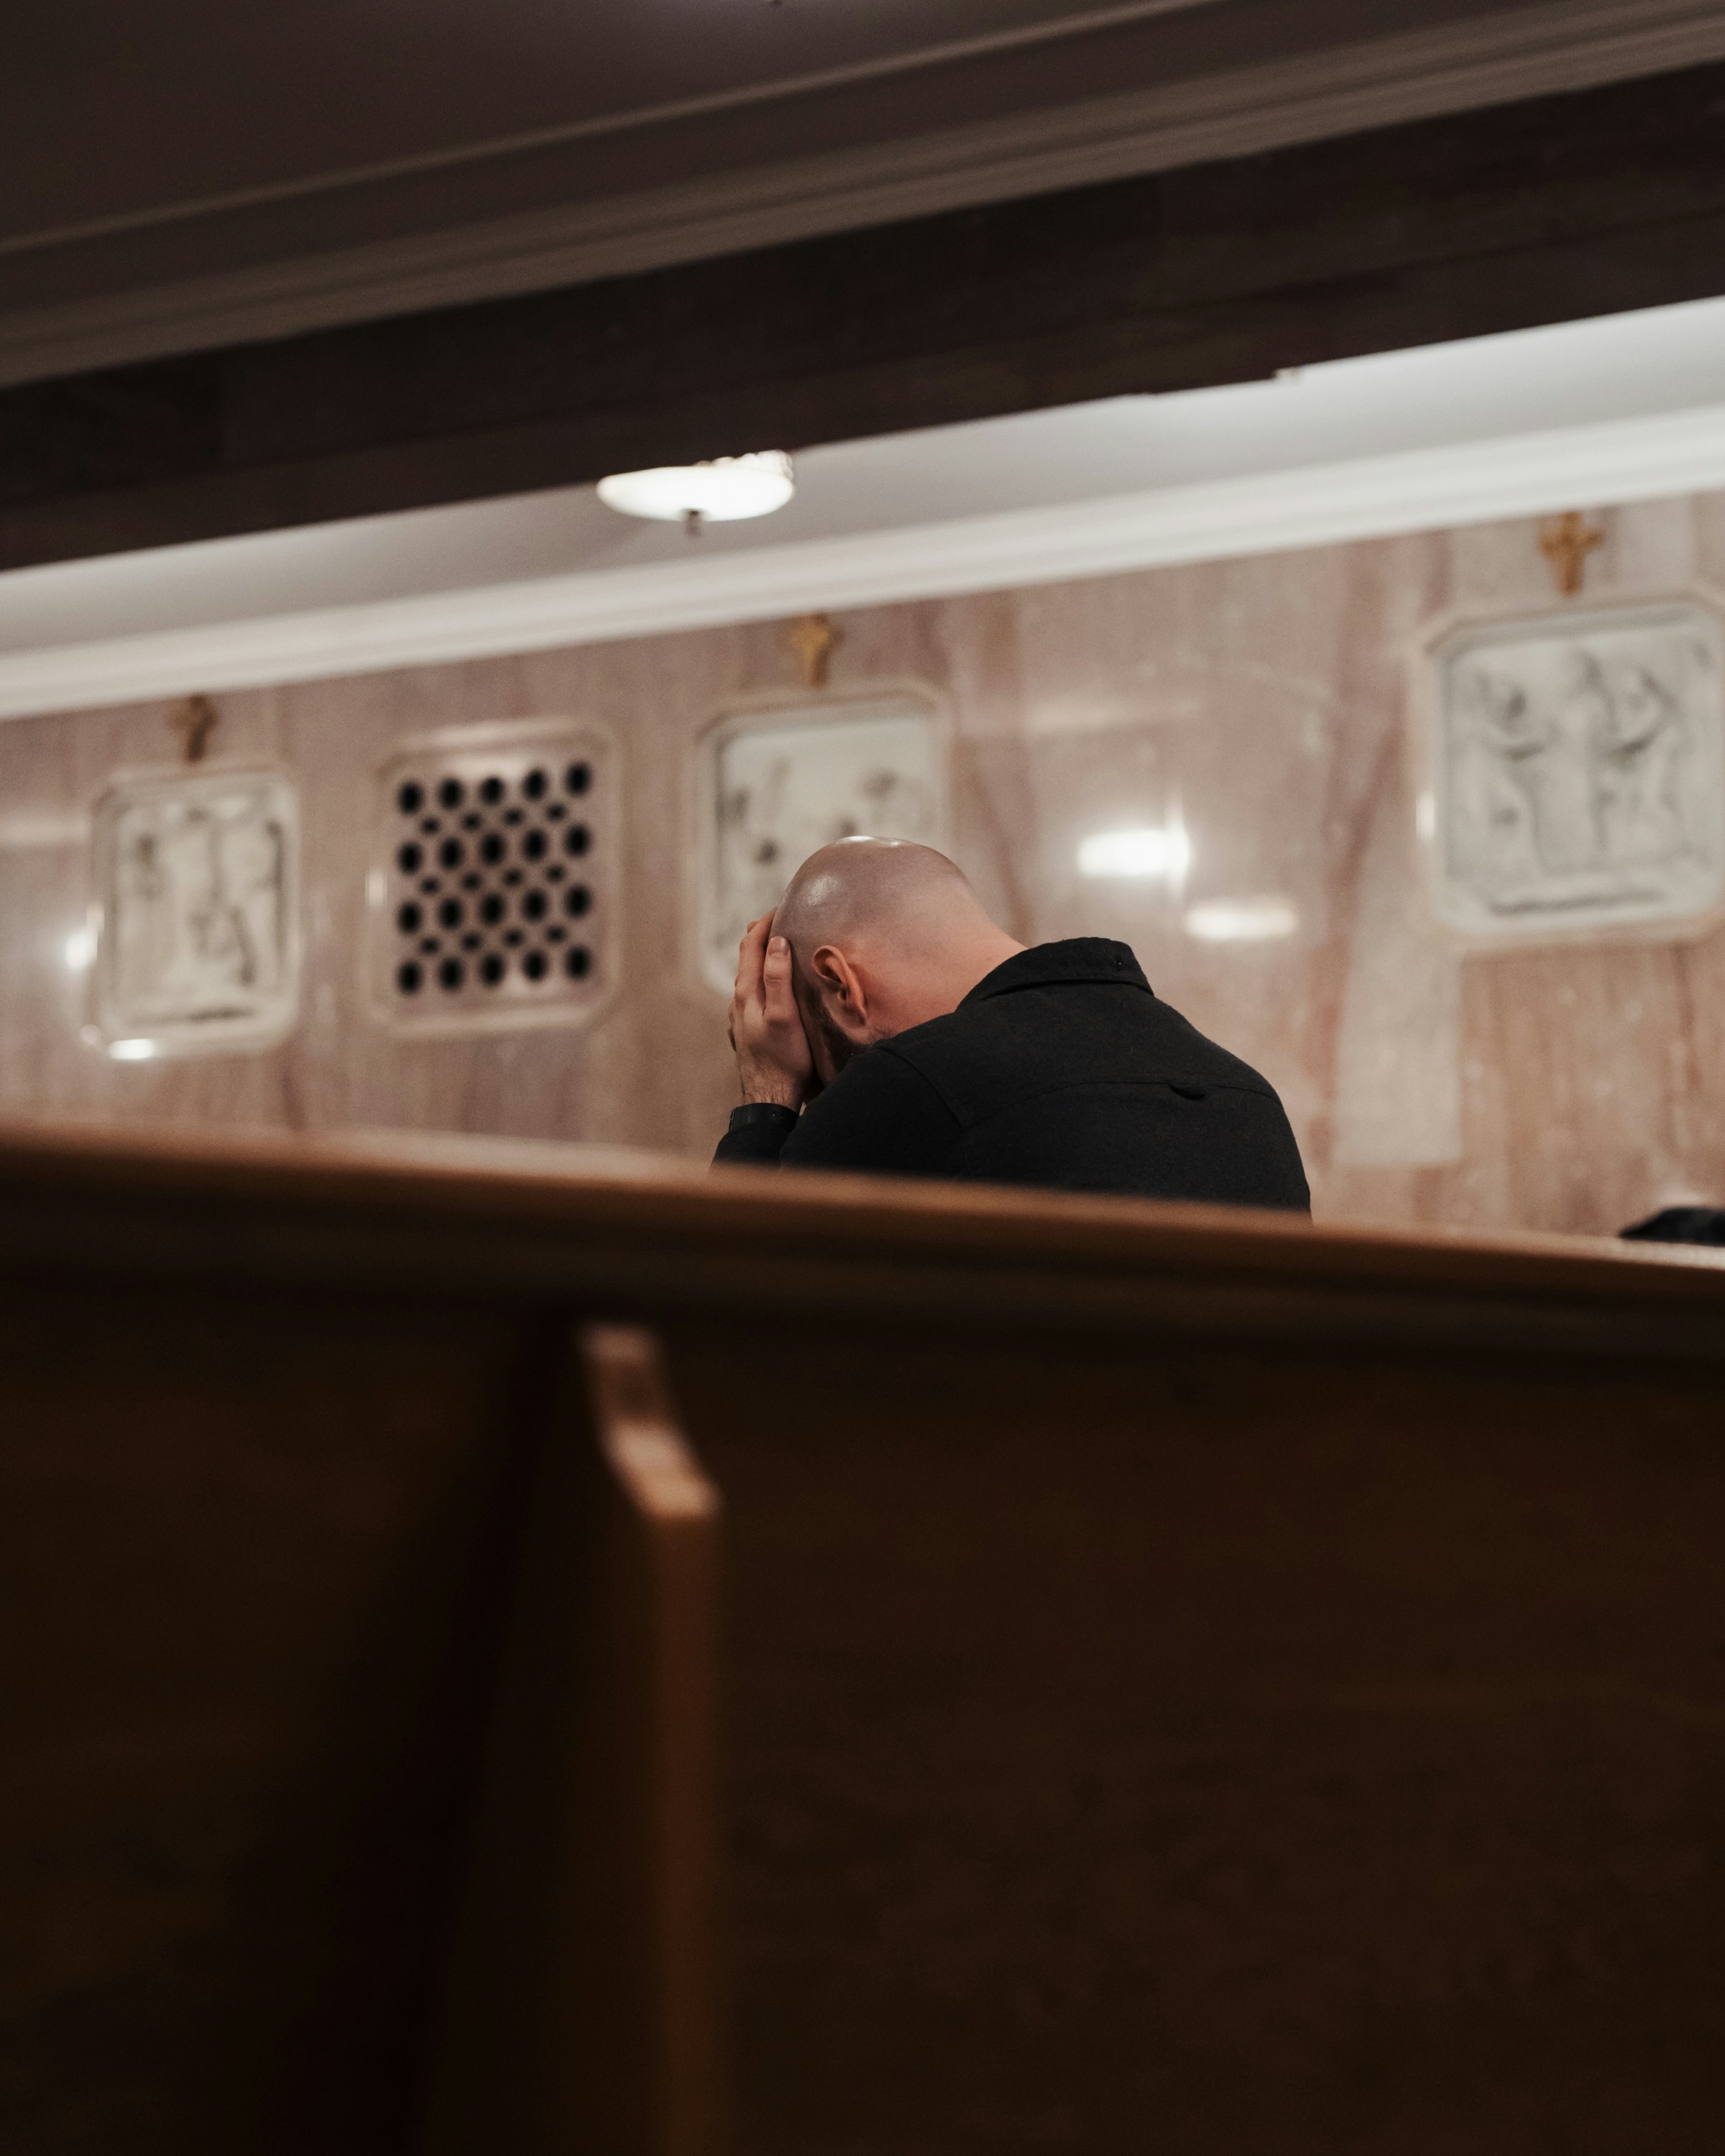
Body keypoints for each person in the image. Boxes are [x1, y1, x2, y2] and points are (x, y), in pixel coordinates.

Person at [713, 836, 1309, 1210]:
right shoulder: (1248, 1096)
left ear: (843, 986)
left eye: (821, 1074)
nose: (829, 1096)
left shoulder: (903, 1089)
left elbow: (713, 1332)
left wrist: (768, 1097)